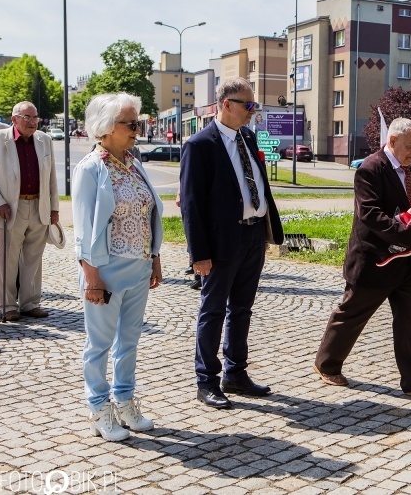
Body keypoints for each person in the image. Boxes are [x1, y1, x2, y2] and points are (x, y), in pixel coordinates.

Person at [313, 117, 411, 400]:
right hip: (375, 260)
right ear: (392, 141)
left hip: (410, 262)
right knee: (351, 314)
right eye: (409, 146)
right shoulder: (370, 169)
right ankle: (327, 363)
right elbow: (370, 214)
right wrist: (409, 233)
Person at [180, 77, 284, 409]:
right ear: (227, 104)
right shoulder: (200, 145)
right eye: (248, 105)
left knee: (241, 309)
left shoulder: (248, 137)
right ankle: (206, 381)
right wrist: (199, 253)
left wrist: (265, 229)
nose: (253, 111)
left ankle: (235, 373)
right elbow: (192, 205)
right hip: (222, 242)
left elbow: (258, 184)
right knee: (212, 311)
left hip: (253, 235)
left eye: (254, 105)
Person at [72, 93, 164, 441]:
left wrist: (154, 257)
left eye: (137, 123)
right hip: (106, 271)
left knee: (129, 342)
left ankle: (125, 402)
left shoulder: (134, 163)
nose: (137, 130)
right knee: (99, 345)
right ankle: (98, 408)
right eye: (131, 124)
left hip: (138, 267)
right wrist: (91, 277)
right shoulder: (91, 169)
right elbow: (82, 229)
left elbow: (147, 213)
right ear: (107, 127)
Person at [0, 102, 59, 322]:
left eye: (35, 118)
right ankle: (6, 305)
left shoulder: (45, 140)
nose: (33, 122)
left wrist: (54, 208)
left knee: (33, 258)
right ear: (14, 119)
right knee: (7, 258)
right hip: (9, 208)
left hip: (38, 206)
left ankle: (30, 302)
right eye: (27, 117)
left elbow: (51, 178)